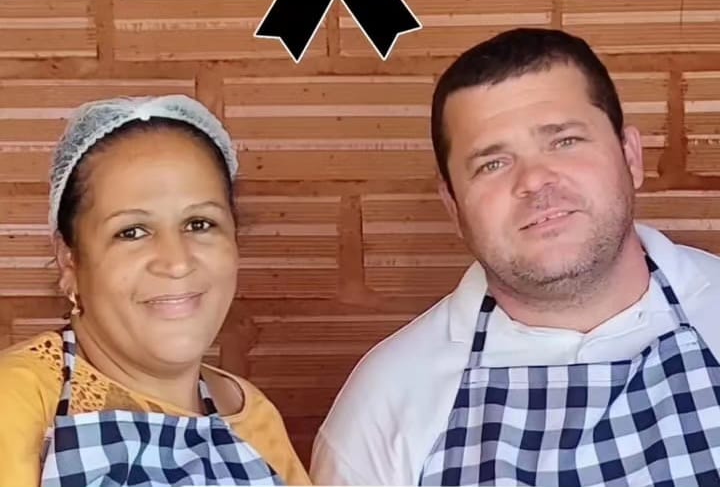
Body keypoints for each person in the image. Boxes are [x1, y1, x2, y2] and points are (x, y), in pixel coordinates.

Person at [310, 28, 720, 487]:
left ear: (631, 157)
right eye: (492, 163)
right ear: (453, 206)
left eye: (564, 141)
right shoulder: (382, 407)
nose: (535, 180)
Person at [0, 94, 310, 486]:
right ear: (70, 262)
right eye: (132, 232)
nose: (177, 262)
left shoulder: (252, 417)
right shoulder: (15, 401)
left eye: (199, 224)